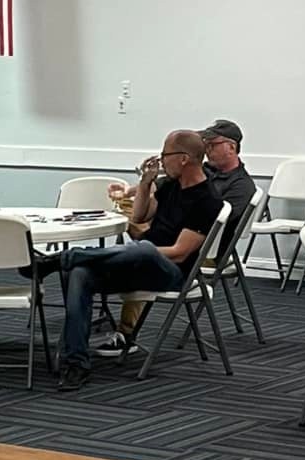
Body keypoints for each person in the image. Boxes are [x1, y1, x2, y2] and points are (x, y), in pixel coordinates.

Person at [55, 130, 222, 390]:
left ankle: (64, 257)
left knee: (143, 248)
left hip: (172, 273)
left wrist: (145, 250)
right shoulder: (170, 186)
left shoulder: (207, 200)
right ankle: (76, 363)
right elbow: (140, 216)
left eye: (165, 155)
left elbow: (179, 252)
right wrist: (145, 183)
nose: (161, 160)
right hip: (140, 263)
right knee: (79, 273)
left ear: (183, 159)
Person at [97, 119, 255, 358]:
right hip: (177, 234)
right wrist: (131, 190)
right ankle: (118, 259)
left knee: (144, 246)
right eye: (205, 144)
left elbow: (216, 225)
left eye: (212, 144)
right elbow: (162, 185)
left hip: (202, 250)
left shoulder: (240, 186)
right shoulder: (201, 170)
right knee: (128, 213)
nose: (206, 149)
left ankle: (125, 329)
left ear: (231, 147)